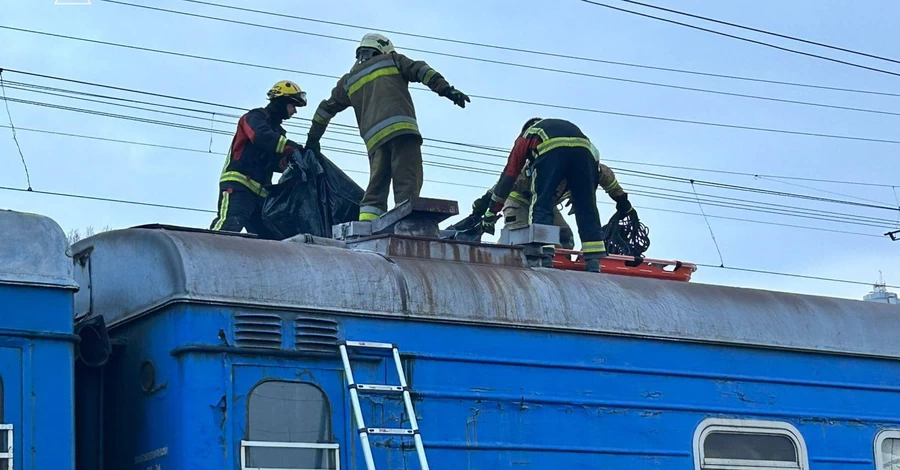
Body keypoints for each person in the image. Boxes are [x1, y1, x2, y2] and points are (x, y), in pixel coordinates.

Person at [305, 33, 470, 221]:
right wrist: (446, 89)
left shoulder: (348, 80)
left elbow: (324, 110)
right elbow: (421, 70)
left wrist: (312, 140)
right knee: (407, 183)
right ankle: (406, 224)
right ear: (383, 48)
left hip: (375, 142)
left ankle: (366, 225)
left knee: (376, 188)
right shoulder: (392, 60)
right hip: (402, 133)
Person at [482, 117, 633, 273]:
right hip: (519, 203)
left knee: (564, 235)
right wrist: (488, 209)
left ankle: (582, 261)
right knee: (520, 238)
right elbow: (505, 183)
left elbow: (609, 182)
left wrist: (624, 204)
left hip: (547, 205)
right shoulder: (527, 170)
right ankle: (521, 263)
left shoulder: (588, 167)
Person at [210, 80, 307, 235]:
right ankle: (207, 247)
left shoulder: (278, 132)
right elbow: (261, 136)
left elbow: (273, 161)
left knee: (269, 239)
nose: (294, 111)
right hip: (239, 185)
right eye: (293, 105)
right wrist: (291, 147)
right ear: (282, 101)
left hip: (261, 194)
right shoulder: (255, 117)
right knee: (229, 225)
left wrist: (290, 161)